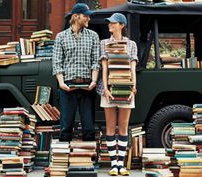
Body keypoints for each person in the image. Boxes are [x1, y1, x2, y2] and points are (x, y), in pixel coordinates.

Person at [97, 13, 138, 176]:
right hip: (108, 89)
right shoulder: (104, 43)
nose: (109, 25)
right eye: (109, 24)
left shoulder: (131, 44)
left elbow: (132, 67)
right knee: (109, 127)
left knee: (123, 128)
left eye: (112, 23)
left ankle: (121, 165)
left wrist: (134, 86)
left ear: (121, 25)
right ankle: (114, 165)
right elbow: (104, 67)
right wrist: (106, 89)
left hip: (126, 89)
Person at [52, 3, 100, 142]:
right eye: (85, 16)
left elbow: (95, 61)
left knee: (89, 127)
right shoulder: (61, 37)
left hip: (87, 87)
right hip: (67, 87)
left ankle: (89, 162)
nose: (88, 19)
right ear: (75, 16)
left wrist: (94, 81)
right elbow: (57, 62)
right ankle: (64, 161)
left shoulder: (93, 36)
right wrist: (61, 83)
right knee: (66, 127)